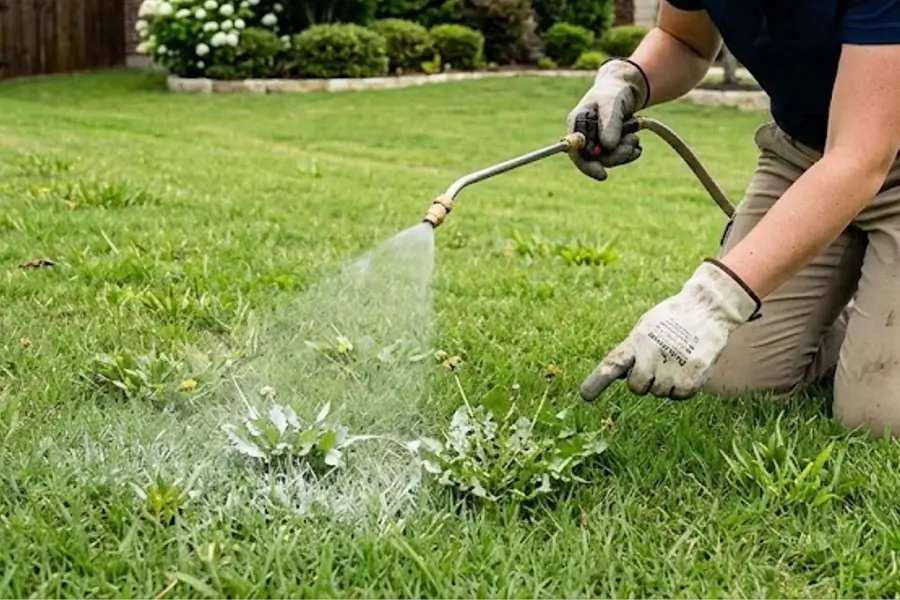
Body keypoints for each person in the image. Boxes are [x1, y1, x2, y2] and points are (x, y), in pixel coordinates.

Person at [567, 0, 900, 436]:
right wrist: (625, 81)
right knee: (734, 379)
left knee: (875, 418)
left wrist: (714, 302)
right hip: (802, 157)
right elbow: (684, 40)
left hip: (870, 157)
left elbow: (860, 158)